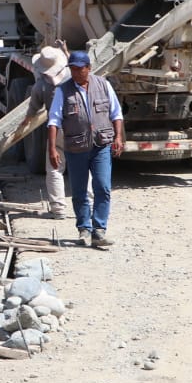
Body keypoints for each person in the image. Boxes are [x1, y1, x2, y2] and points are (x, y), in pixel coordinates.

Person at [47, 50, 124, 248]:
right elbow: (54, 121)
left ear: (89, 68)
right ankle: (84, 228)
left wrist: (118, 137)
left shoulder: (103, 85)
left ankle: (99, 231)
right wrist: (52, 149)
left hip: (101, 146)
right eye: (72, 69)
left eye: (79, 69)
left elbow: (116, 114)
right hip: (76, 147)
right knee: (79, 191)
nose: (76, 72)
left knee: (103, 187)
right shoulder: (62, 91)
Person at [25, 45, 71, 219]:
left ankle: (58, 209)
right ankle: (87, 205)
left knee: (54, 168)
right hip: (78, 128)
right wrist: (67, 52)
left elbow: (32, 109)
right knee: (82, 167)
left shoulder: (42, 85)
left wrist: (26, 121)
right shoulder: (71, 77)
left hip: (57, 130)